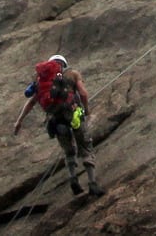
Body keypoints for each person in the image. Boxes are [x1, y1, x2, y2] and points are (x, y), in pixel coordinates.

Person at [13, 54, 105, 196]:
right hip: (74, 114)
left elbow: (31, 102)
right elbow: (83, 94)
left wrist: (19, 121)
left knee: (69, 151)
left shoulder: (41, 81)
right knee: (85, 147)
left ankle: (73, 179)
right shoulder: (72, 74)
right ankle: (92, 184)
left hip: (56, 120)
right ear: (64, 64)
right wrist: (86, 110)